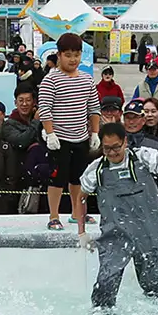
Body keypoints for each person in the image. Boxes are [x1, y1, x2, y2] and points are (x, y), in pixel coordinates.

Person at [78, 120, 158, 314]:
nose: (111, 153)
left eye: (116, 148)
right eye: (106, 148)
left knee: (155, 286)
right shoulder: (96, 169)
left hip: (149, 231)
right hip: (115, 234)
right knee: (106, 281)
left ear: (125, 142)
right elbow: (81, 198)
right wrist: (81, 232)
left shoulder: (143, 157)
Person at [39, 33, 100, 231]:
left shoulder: (87, 80)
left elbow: (94, 108)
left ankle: (77, 213)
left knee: (79, 178)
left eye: (76, 55)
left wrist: (95, 133)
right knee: (58, 179)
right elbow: (45, 109)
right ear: (59, 55)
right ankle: (54, 216)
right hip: (59, 139)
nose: (73, 59)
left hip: (80, 137)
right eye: (68, 55)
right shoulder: (51, 80)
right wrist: (50, 134)